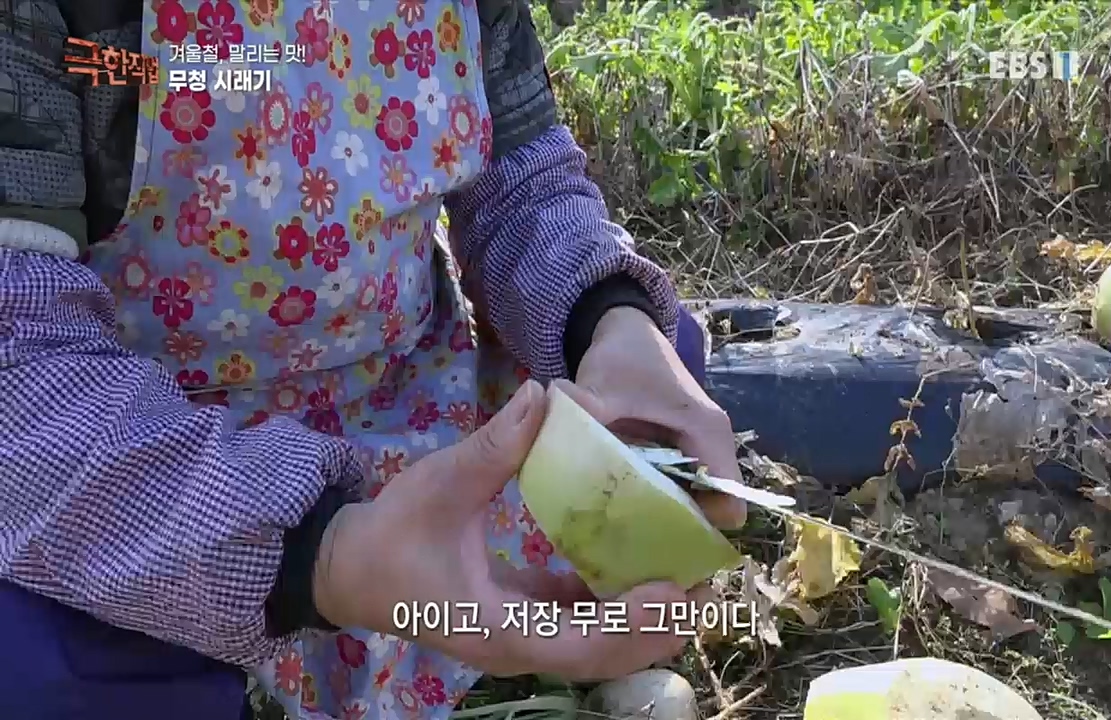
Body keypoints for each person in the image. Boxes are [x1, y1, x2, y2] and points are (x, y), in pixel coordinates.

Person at [0, 1, 746, 718]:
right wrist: (327, 558)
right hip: (142, 453)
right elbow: (19, 365)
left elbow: (519, 179)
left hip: (412, 399)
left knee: (657, 363)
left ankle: (500, 616)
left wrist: (608, 319)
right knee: (47, 663)